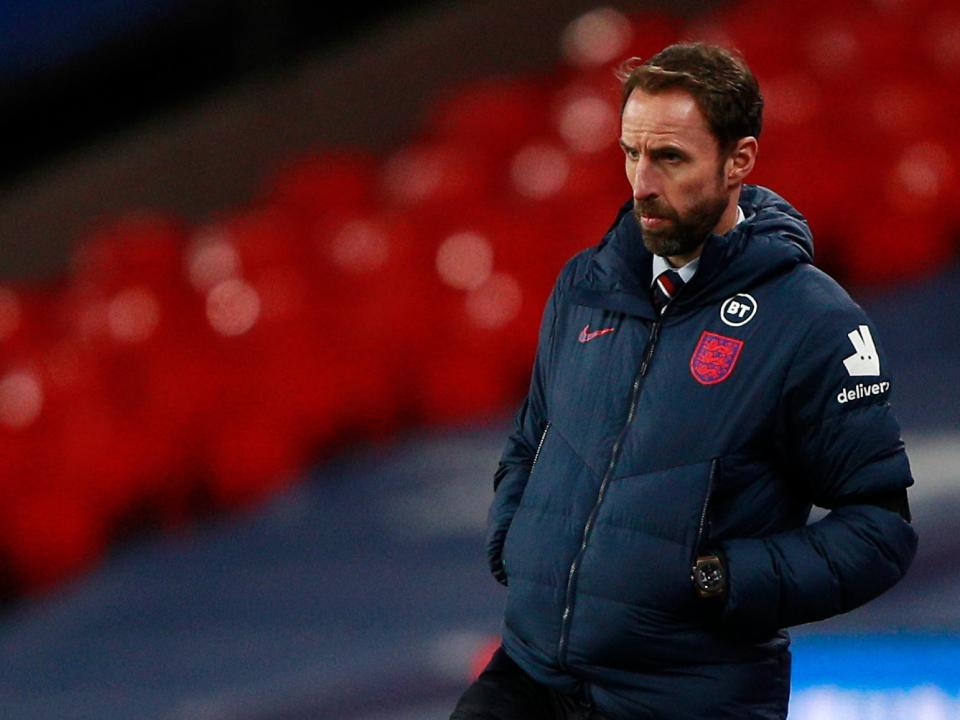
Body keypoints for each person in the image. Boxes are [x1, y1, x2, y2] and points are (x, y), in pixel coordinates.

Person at [450, 43, 917, 720]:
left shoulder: (812, 323)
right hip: (529, 677)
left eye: (669, 157)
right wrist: (516, 541)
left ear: (740, 161)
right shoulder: (586, 285)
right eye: (631, 153)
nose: (641, 181)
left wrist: (727, 579)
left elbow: (880, 530)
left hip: (688, 697)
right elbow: (532, 439)